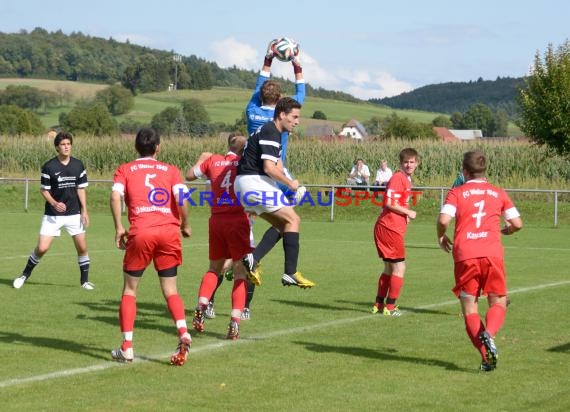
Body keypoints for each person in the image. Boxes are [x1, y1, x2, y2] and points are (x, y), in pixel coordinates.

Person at [110, 128, 192, 365]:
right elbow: (182, 199)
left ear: (136, 147)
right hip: (168, 231)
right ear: (158, 147)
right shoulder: (171, 170)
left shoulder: (125, 169)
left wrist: (118, 227)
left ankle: (127, 348)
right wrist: (185, 224)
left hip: (142, 231)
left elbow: (115, 197)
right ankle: (183, 331)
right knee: (171, 290)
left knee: (130, 290)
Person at [436, 150, 523, 372]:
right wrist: (508, 231)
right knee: (498, 301)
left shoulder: (457, 192)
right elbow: (518, 223)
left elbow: (444, 219)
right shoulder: (498, 193)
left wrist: (440, 235)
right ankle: (489, 334)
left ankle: (486, 358)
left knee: (470, 309)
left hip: (465, 255)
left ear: (465, 171)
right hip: (492, 253)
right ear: (485, 171)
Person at [242, 40, 307, 286]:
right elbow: (301, 93)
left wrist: (268, 59)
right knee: (292, 211)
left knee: (282, 218)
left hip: (248, 168)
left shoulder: (251, 110)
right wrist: (297, 64)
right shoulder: (281, 115)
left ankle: (250, 250)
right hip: (273, 169)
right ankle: (255, 258)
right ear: (280, 102)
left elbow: (259, 85)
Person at [235, 97, 315, 289]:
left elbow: (277, 164)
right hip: (255, 182)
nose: (297, 121)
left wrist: (287, 186)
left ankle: (253, 259)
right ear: (282, 114)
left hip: (245, 185)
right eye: (294, 117)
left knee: (283, 225)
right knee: (294, 220)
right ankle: (290, 272)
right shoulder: (271, 131)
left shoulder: (270, 131)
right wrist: (291, 184)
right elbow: (270, 168)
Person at [185, 134, 251, 339]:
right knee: (240, 273)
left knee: (214, 268)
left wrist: (201, 159)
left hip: (216, 220)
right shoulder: (245, 162)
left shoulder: (212, 160)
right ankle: (235, 321)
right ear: (243, 149)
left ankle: (201, 305)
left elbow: (189, 175)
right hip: (237, 220)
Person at [12, 131, 93, 290]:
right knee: (42, 248)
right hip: (53, 215)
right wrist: (55, 203)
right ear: (57, 147)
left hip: (74, 214)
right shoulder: (49, 166)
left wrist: (84, 210)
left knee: (82, 248)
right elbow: (44, 190)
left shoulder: (78, 165)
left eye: (68, 144)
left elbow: (81, 189)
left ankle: (84, 282)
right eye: (63, 144)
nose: (66, 147)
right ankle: (24, 275)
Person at [372, 148, 419, 316]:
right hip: (389, 228)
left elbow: (399, 202)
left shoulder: (406, 179)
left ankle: (378, 305)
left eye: (412, 162)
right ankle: (390, 308)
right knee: (400, 267)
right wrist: (408, 212)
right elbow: (389, 202)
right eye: (406, 162)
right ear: (400, 164)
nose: (409, 165)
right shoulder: (398, 178)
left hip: (390, 227)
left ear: (417, 163)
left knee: (389, 268)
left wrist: (404, 213)